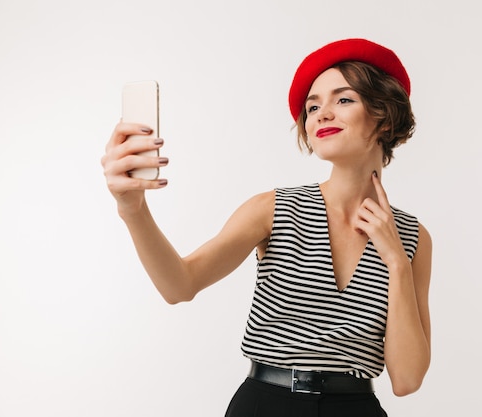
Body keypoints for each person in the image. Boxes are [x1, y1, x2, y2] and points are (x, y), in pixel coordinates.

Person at [101, 38, 432, 417]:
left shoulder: (413, 238)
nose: (322, 113)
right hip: (265, 405)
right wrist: (132, 209)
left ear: (385, 116)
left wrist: (395, 261)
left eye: (343, 99)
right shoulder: (274, 209)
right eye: (312, 106)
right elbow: (179, 285)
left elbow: (407, 380)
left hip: (355, 408)